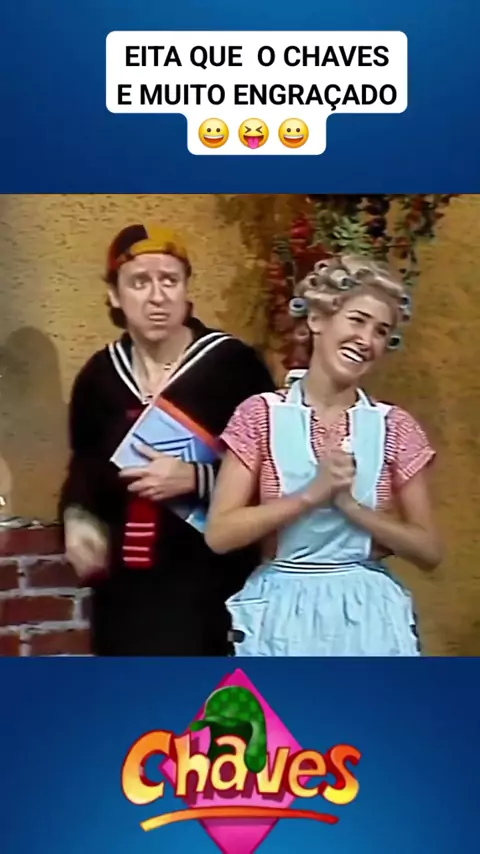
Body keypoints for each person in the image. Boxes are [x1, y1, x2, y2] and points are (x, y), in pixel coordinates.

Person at [205, 254, 443, 656]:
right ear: (317, 319)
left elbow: (429, 550)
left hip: (369, 615)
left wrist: (353, 509)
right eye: (357, 320)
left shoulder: (394, 426)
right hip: (280, 612)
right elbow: (220, 534)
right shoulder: (260, 415)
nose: (366, 340)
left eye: (381, 331)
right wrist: (310, 496)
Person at [59, 222, 275, 656]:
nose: (157, 296)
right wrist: (77, 518)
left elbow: (277, 472)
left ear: (186, 289)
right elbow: (84, 468)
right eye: (140, 282)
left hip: (214, 588)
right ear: (115, 295)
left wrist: (197, 479)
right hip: (125, 597)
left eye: (170, 280)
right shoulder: (99, 377)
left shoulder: (232, 367)